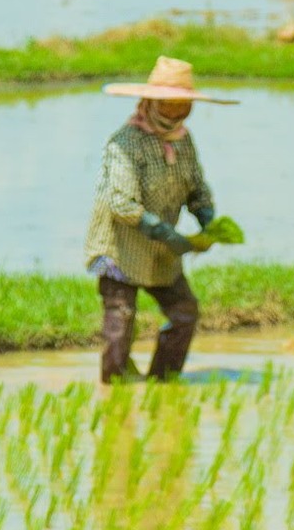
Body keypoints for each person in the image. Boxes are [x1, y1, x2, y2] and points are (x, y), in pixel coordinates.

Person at [85, 56, 236, 383]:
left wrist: (207, 221)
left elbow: (196, 187)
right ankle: (113, 390)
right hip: (119, 249)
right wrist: (170, 235)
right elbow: (122, 204)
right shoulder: (124, 143)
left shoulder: (184, 141)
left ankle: (162, 383)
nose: (175, 112)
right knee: (120, 319)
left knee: (184, 313)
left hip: (159, 253)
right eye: (168, 105)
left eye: (182, 106)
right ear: (151, 102)